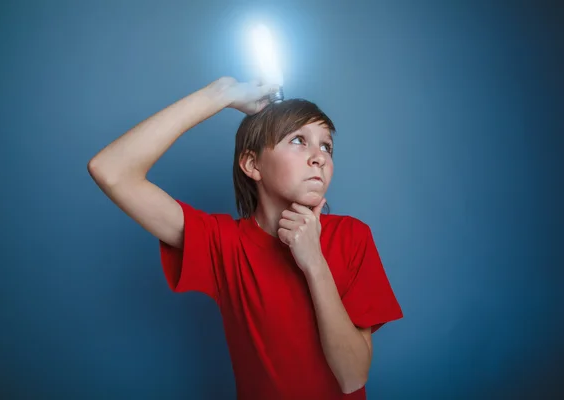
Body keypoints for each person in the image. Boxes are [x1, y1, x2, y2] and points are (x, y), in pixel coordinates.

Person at [87, 76, 403, 399]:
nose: (319, 157)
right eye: (298, 140)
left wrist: (315, 263)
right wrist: (220, 95)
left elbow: (352, 376)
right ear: (252, 164)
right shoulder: (223, 244)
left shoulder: (353, 237)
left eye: (326, 146)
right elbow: (111, 170)